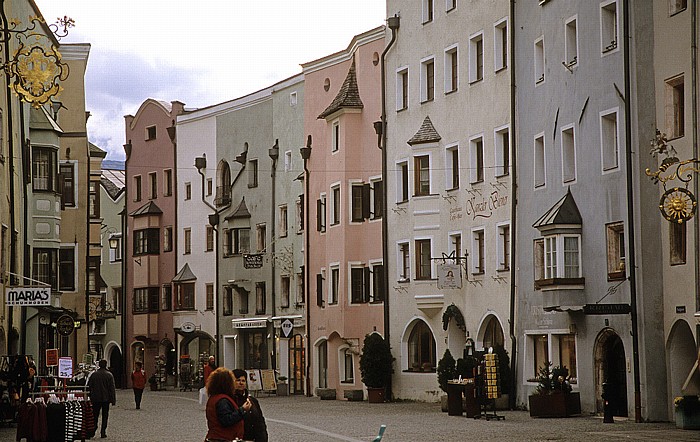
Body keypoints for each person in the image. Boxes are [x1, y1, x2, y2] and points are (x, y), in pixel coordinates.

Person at [205, 367, 250, 442]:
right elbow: (226, 420)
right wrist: (242, 410)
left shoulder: (214, 398)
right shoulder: (222, 400)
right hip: (222, 438)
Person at [232, 369, 268, 442]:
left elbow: (260, 423)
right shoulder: (229, 400)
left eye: (243, 381)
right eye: (238, 380)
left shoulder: (252, 401)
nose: (241, 383)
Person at [88, 359, 116, 439]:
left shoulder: (94, 375)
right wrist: (113, 399)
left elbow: (89, 386)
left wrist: (90, 395)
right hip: (105, 398)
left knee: (95, 415)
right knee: (105, 415)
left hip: (95, 398)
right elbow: (112, 388)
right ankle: (103, 431)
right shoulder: (109, 375)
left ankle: (93, 429)